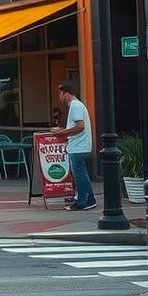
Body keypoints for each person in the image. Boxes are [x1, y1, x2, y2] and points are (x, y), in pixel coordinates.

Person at [53, 83, 96, 212]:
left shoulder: (75, 105)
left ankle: (83, 201)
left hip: (78, 147)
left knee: (79, 175)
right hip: (80, 146)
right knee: (82, 175)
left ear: (66, 93)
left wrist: (62, 132)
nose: (59, 97)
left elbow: (80, 126)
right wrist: (63, 130)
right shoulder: (77, 105)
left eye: (60, 93)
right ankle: (88, 199)